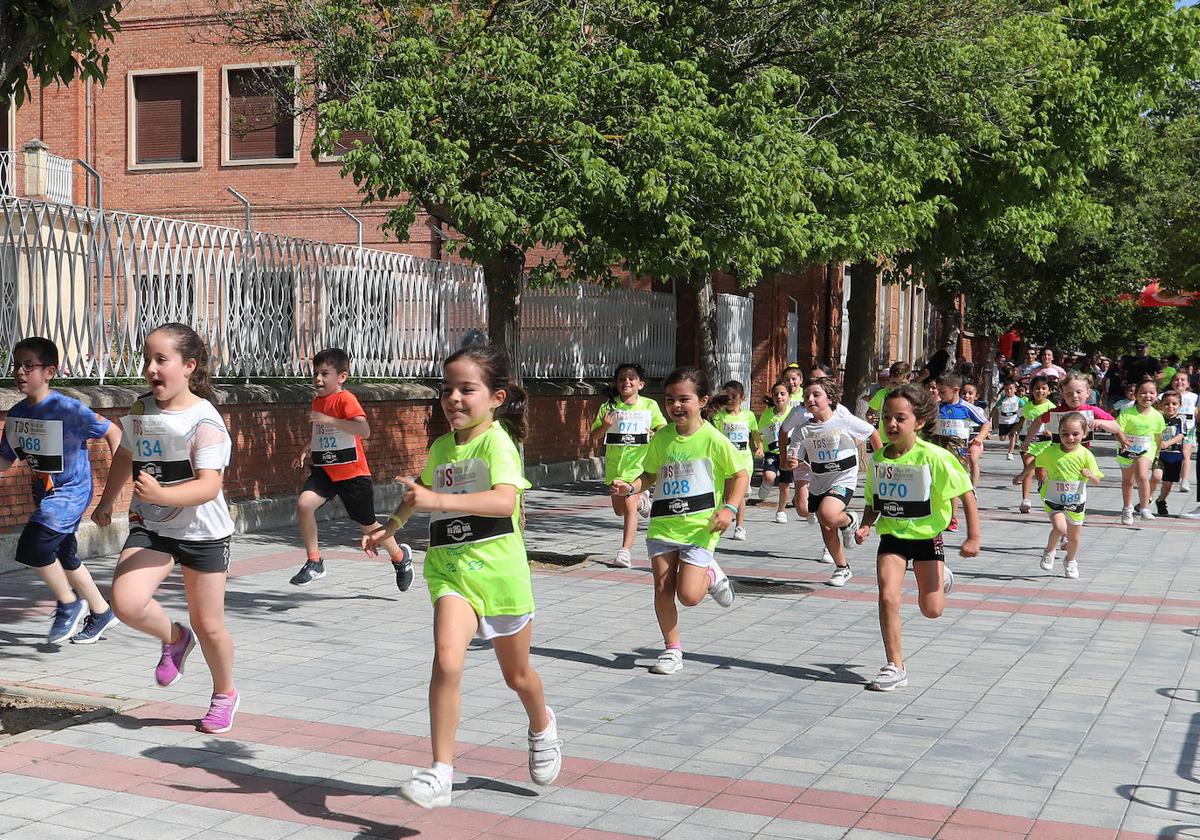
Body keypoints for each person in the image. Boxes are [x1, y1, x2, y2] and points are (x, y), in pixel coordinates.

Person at [364, 344, 562, 809]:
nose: (453, 397)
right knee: (448, 662)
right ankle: (441, 772)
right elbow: (421, 494)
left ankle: (542, 724)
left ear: (496, 396)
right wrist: (389, 528)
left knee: (518, 677)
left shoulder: (497, 442)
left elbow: (503, 502)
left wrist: (437, 503)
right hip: (451, 573)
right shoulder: (440, 447)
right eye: (447, 388)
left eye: (466, 389)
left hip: (500, 577)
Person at [92, 323, 239, 734]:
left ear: (189, 366)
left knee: (209, 624)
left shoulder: (205, 421)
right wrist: (107, 501)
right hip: (153, 526)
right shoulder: (141, 410)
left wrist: (160, 495)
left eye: (162, 360)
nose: (151, 368)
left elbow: (209, 486)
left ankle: (224, 694)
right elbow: (125, 454)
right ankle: (175, 637)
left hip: (203, 532)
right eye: (147, 359)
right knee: (125, 601)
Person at [611, 366, 745, 676]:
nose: (676, 406)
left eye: (684, 399)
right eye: (670, 400)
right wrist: (631, 487)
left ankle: (711, 575)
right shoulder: (662, 438)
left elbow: (739, 474)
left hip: (700, 527)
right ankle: (672, 650)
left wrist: (729, 508)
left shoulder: (713, 439)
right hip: (663, 524)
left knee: (689, 596)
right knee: (662, 588)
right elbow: (650, 474)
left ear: (702, 400)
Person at [855, 384, 979, 691]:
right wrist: (866, 524)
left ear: (918, 422)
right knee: (887, 596)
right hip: (892, 536)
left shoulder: (935, 457)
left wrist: (973, 537)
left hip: (927, 537)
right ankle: (894, 666)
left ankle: (942, 576)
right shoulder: (880, 458)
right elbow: (874, 500)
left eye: (900, 418)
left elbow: (966, 495)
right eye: (886, 418)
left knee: (932, 610)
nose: (892, 424)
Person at [0, 337, 122, 644]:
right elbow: (5, 461)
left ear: (50, 371)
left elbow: (113, 432)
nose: (20, 372)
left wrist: (113, 489)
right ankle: (101, 611)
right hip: (44, 494)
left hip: (70, 494)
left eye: (29, 365)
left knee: (33, 548)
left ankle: (69, 603)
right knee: (65, 556)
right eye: (17, 365)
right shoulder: (16, 415)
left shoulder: (68, 410)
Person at [290, 348, 413, 589]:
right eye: (315, 373)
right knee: (304, 504)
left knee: (369, 525)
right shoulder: (318, 400)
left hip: (352, 473)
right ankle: (314, 561)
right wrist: (306, 448)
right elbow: (322, 431)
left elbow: (363, 430)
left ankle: (400, 558)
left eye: (325, 373)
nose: (318, 379)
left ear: (342, 377)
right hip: (325, 469)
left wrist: (330, 420)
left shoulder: (346, 399)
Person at [783, 378, 881, 586]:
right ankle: (842, 568)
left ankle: (849, 521)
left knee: (827, 514)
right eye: (807, 396)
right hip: (819, 480)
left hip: (843, 477)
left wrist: (881, 462)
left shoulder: (842, 419)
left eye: (816, 394)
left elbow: (871, 432)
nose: (810, 398)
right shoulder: (803, 430)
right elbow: (796, 457)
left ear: (830, 398)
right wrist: (792, 461)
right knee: (826, 525)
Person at [589, 362, 667, 567]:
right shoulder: (609, 406)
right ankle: (642, 501)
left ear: (641, 384)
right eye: (622, 379)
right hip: (617, 466)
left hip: (641, 465)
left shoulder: (650, 405)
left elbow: (663, 428)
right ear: (616, 383)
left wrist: (654, 433)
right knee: (619, 509)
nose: (627, 382)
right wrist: (605, 426)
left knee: (630, 504)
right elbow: (594, 435)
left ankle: (625, 552)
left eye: (631, 378)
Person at [1014, 412, 1102, 579]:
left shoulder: (1086, 455)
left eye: (1075, 434)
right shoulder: (1051, 452)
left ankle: (1071, 561)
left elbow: (1097, 481)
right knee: (1060, 527)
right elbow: (1036, 462)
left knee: (1074, 537)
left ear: (1084, 434)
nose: (1070, 438)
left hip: (1076, 500)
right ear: (1058, 433)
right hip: (1053, 497)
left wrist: (1090, 475)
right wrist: (1022, 475)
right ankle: (1050, 550)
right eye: (1065, 434)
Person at [932, 373, 990, 530]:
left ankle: (952, 518)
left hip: (957, 450)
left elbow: (986, 423)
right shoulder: (937, 407)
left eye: (942, 391)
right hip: (938, 448)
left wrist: (979, 438)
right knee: (937, 482)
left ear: (955, 390)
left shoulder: (966, 407)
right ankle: (937, 513)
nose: (939, 394)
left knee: (953, 483)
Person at [711, 380, 761, 540]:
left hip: (743, 460)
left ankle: (740, 527)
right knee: (728, 496)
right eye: (726, 396)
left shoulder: (749, 415)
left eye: (734, 396)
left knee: (738, 495)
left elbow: (755, 433)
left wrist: (759, 447)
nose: (730, 400)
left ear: (743, 398)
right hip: (725, 460)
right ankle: (723, 519)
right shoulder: (719, 417)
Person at [1117, 377, 1165, 524]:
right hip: (1127, 448)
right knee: (1128, 481)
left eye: (1152, 393)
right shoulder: (1126, 413)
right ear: (1136, 395)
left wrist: (1156, 453)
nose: (1147, 396)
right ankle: (1127, 508)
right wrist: (1122, 440)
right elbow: (1118, 430)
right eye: (1143, 393)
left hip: (1146, 449)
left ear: (1156, 396)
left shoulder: (1157, 416)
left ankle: (1144, 508)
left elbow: (1158, 436)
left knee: (1143, 475)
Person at [757, 381, 794, 522]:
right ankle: (765, 485)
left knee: (784, 485)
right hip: (772, 452)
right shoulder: (767, 415)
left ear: (789, 396)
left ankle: (781, 511)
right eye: (776, 394)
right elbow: (759, 434)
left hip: (788, 453)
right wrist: (760, 447)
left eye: (783, 394)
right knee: (769, 476)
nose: (779, 397)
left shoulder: (793, 413)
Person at [1017, 375, 1054, 513]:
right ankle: (1025, 499)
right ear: (1031, 390)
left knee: (1041, 473)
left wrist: (1049, 432)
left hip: (1044, 445)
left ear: (1049, 391)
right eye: (1037, 388)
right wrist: (1014, 430)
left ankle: (1043, 487)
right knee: (1028, 468)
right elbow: (1022, 420)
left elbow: (1055, 427)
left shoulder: (1051, 406)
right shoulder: (1027, 405)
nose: (1040, 391)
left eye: (1043, 388)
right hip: (1028, 442)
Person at [1151, 391, 1186, 516]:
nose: (1170, 406)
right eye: (1166, 404)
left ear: (1179, 405)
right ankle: (1147, 499)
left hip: (1174, 456)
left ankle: (1161, 500)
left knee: (1167, 484)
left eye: (1174, 404)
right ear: (1161, 405)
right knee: (1156, 476)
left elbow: (1181, 435)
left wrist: (1168, 443)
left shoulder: (1180, 419)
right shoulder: (1157, 418)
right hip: (1159, 454)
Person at [1170, 371, 1196, 493]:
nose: (1179, 382)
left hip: (1189, 429)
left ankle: (1184, 480)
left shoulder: (1195, 397)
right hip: (1170, 430)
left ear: (1188, 383)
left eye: (1182, 380)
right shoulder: (1163, 396)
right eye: (1176, 379)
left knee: (1186, 454)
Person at [960, 381, 989, 485]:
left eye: (970, 393)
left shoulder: (979, 410)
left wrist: (981, 437)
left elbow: (986, 424)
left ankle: (974, 487)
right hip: (960, 441)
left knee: (972, 459)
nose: (966, 396)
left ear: (976, 396)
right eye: (963, 393)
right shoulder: (958, 409)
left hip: (975, 441)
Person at [992, 379, 1024, 461]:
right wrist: (990, 417)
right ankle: (1011, 437)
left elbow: (1025, 406)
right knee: (1002, 438)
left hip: (1014, 421)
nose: (1009, 391)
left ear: (1015, 390)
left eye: (1011, 389)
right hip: (1003, 422)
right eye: (1007, 390)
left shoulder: (1018, 400)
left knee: (1013, 436)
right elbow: (995, 408)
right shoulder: (1002, 400)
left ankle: (1010, 453)